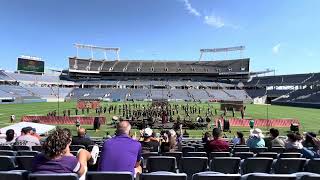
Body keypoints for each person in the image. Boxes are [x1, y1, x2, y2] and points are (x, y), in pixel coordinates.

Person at [32, 128, 99, 180]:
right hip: (75, 167)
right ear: (66, 145)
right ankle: (92, 157)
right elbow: (82, 172)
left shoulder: (37, 158)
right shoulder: (71, 160)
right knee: (82, 153)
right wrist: (69, 155)